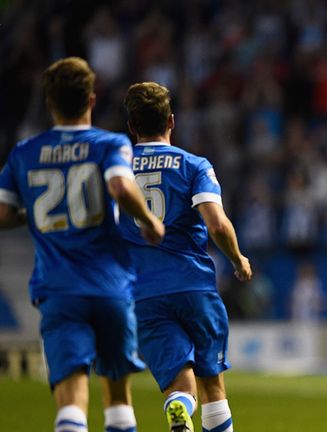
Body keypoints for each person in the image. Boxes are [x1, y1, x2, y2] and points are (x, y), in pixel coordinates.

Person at [0, 57, 165, 432]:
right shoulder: (110, 144)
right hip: (110, 287)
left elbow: (2, 212)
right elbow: (121, 187)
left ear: (48, 103)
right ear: (91, 99)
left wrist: (31, 215)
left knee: (72, 398)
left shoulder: (25, 151)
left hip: (58, 290)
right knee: (118, 396)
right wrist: (150, 221)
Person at [120, 82, 252, 432]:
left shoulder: (115, 172)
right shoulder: (194, 165)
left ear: (132, 126)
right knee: (213, 384)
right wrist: (238, 259)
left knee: (180, 384)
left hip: (142, 293)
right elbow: (216, 223)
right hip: (193, 287)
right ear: (172, 121)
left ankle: (179, 406)